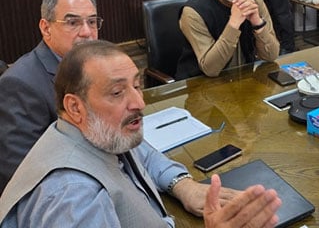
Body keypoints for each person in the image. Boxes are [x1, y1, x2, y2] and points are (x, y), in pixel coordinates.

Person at [0, 40, 281, 227]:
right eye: (117, 92)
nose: (139, 102)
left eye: (137, 86)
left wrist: (183, 185)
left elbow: (141, 151)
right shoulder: (73, 198)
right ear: (74, 106)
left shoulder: (94, 130)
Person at [0, 0, 100, 194]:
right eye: (73, 23)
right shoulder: (19, 84)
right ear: (46, 28)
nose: (87, 32)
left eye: (92, 21)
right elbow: (22, 172)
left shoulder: (93, 65)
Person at [176, 0, 279, 79]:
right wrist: (233, 24)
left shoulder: (255, 1)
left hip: (243, 79)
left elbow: (271, 56)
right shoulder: (193, 12)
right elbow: (210, 69)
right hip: (200, 84)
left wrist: (257, 23)